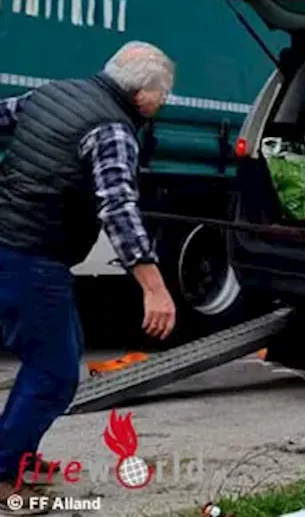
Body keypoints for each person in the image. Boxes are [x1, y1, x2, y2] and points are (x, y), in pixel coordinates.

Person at [0, 42, 179, 515]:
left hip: (11, 242)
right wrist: (154, 288)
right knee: (55, 374)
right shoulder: (113, 129)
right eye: (164, 95)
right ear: (143, 94)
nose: (164, 104)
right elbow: (119, 209)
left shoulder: (52, 93)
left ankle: (19, 457)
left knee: (58, 352)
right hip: (31, 254)